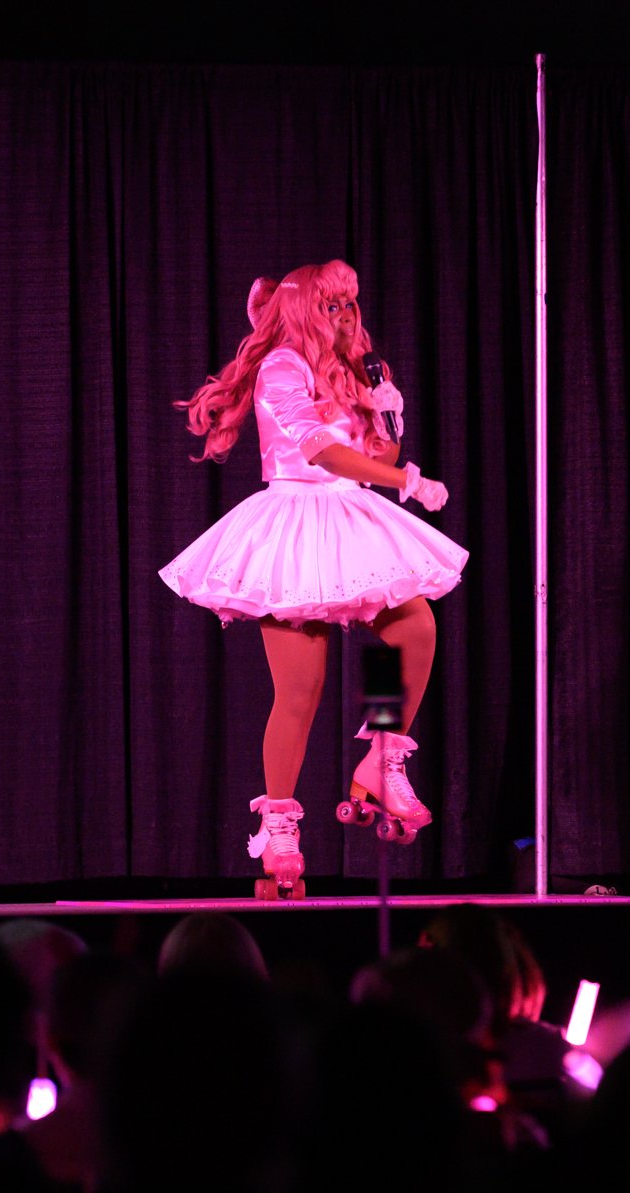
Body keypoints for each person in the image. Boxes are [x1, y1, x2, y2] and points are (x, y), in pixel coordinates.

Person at [161, 259, 468, 896]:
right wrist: (404, 480)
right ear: (304, 313)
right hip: (296, 523)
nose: (346, 317)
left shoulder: (354, 373)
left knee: (409, 632)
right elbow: (315, 449)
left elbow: (368, 456)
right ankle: (279, 827)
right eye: (331, 306)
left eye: (350, 305)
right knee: (301, 691)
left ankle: (383, 752)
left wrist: (385, 420)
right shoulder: (281, 366)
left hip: (351, 517)